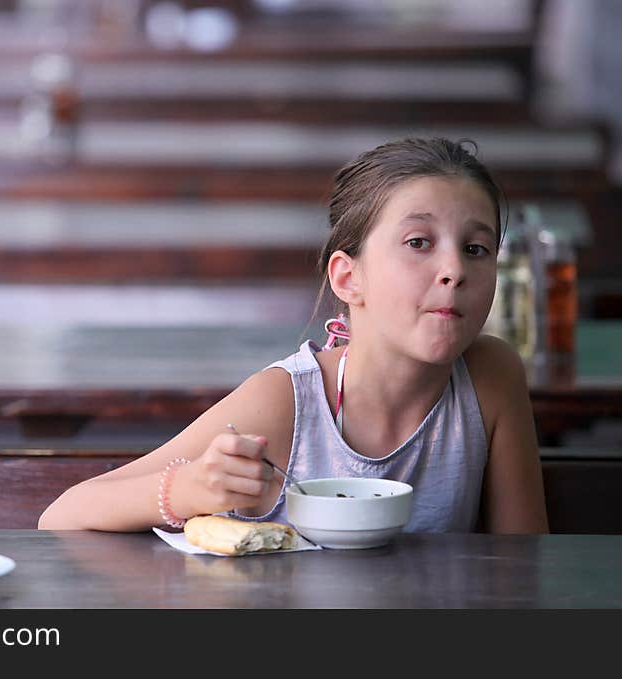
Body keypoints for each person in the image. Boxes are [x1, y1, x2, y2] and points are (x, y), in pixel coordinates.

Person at [38, 137, 549, 534]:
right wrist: (188, 490)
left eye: (477, 249)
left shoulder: (491, 376)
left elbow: (526, 565)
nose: (453, 269)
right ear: (350, 278)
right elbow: (61, 516)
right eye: (419, 242)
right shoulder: (289, 402)